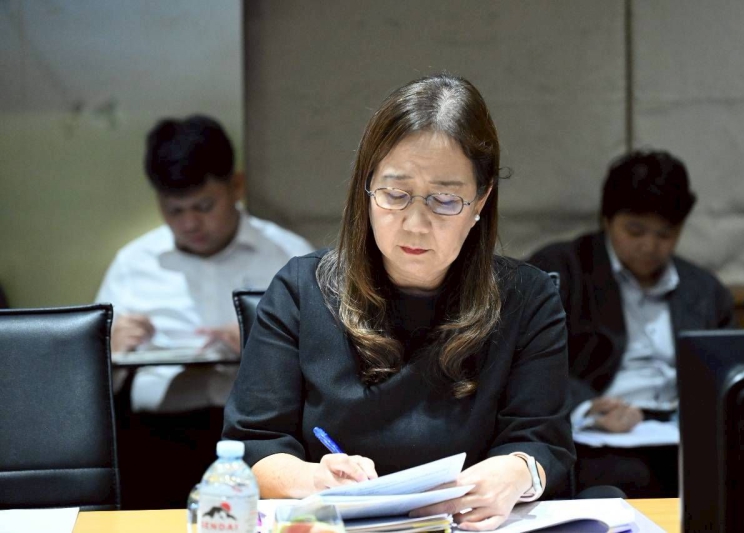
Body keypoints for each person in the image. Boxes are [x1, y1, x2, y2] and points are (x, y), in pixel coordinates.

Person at [223, 74, 575, 531]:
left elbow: (544, 441)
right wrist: (313, 479)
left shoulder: (527, 299)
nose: (415, 223)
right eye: (395, 194)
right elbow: (254, 445)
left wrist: (518, 472)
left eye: (445, 200)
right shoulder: (301, 290)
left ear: (481, 200)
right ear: (367, 188)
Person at [96, 115, 314, 507]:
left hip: (265, 435)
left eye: (204, 206)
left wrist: (264, 345)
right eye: (174, 210)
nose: (190, 223)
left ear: (236, 186)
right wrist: (107, 350)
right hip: (153, 437)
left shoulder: (289, 256)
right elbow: (89, 384)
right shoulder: (133, 263)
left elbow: (327, 362)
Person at [528, 149, 735, 497]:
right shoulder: (563, 269)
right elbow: (532, 361)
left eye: (665, 234)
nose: (649, 246)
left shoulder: (703, 290)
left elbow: (727, 369)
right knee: (626, 477)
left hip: (680, 431)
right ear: (607, 219)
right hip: (598, 436)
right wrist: (586, 407)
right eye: (635, 230)